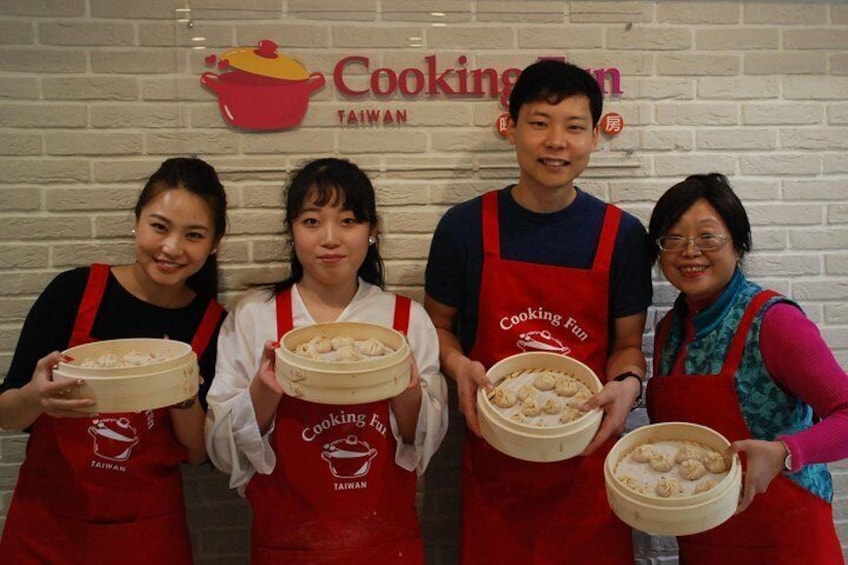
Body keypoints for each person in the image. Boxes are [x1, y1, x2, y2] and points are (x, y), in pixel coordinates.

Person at [424, 59, 653, 563]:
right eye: (539, 123)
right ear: (511, 129)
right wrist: (457, 365)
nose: (556, 142)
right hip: (495, 465)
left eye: (573, 127)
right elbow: (438, 327)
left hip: (588, 466)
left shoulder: (623, 236)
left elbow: (628, 346)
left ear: (594, 137)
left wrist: (629, 386)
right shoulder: (463, 228)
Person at [205, 157, 448, 564]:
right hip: (287, 544)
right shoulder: (254, 316)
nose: (330, 238)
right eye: (312, 221)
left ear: (373, 231)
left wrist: (406, 389)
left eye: (349, 220)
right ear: (291, 231)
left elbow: (421, 444)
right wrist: (264, 389)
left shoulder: (407, 320)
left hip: (386, 545)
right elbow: (224, 448)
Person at [0, 157, 229, 564]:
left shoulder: (211, 323)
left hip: (146, 534)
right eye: (159, 227)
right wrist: (36, 397)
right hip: (48, 527)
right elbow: (6, 414)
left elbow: (196, 453)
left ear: (213, 244)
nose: (171, 248)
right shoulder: (74, 291)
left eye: (193, 235)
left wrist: (182, 392)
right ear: (137, 221)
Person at [646, 172, 848, 564]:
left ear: (738, 246)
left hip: (785, 536)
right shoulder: (671, 329)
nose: (690, 250)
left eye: (708, 236)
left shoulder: (774, 322)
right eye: (673, 238)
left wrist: (787, 451)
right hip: (706, 537)